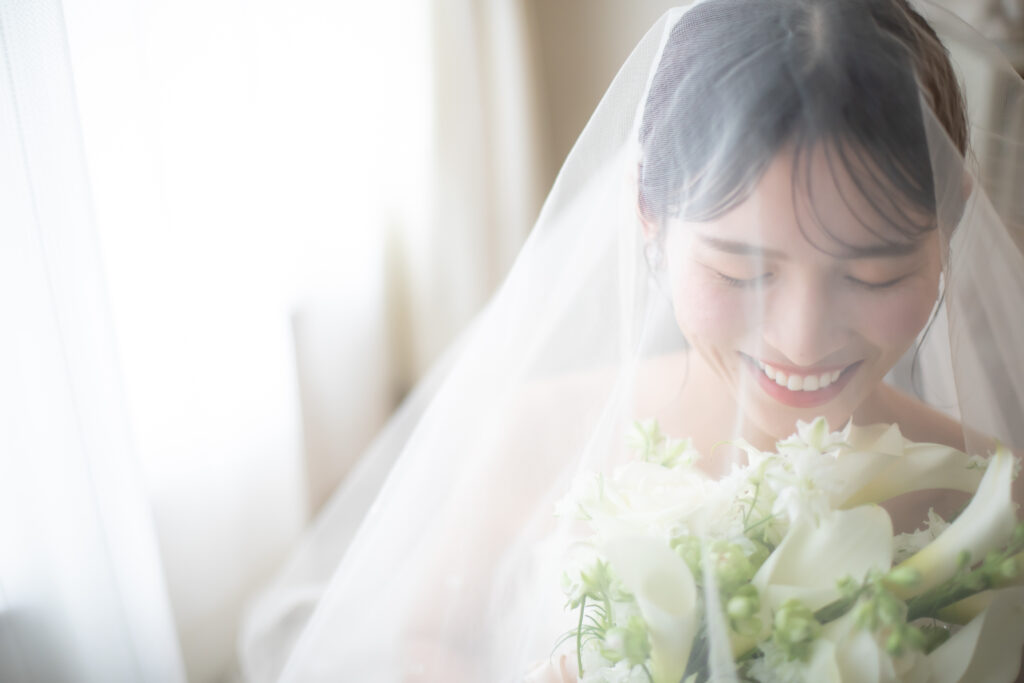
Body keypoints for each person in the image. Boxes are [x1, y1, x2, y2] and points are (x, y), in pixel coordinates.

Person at [240, 0, 1024, 680]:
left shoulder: (987, 499)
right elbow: (429, 639)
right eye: (741, 271)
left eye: (874, 275)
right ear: (648, 214)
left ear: (953, 217)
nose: (802, 339)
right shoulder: (540, 431)